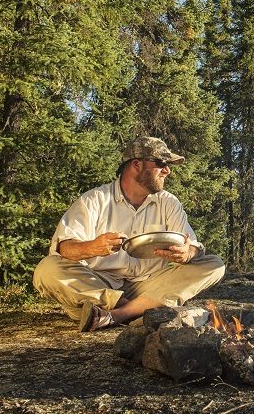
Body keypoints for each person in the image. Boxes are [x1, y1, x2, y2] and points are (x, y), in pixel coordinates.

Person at [33, 136, 226, 332]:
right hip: (99, 287)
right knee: (46, 269)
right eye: (161, 164)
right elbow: (64, 248)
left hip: (149, 285)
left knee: (214, 265)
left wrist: (188, 252)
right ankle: (135, 309)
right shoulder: (95, 200)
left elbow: (192, 244)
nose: (167, 171)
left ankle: (115, 315)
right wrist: (91, 247)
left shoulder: (168, 202)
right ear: (136, 164)